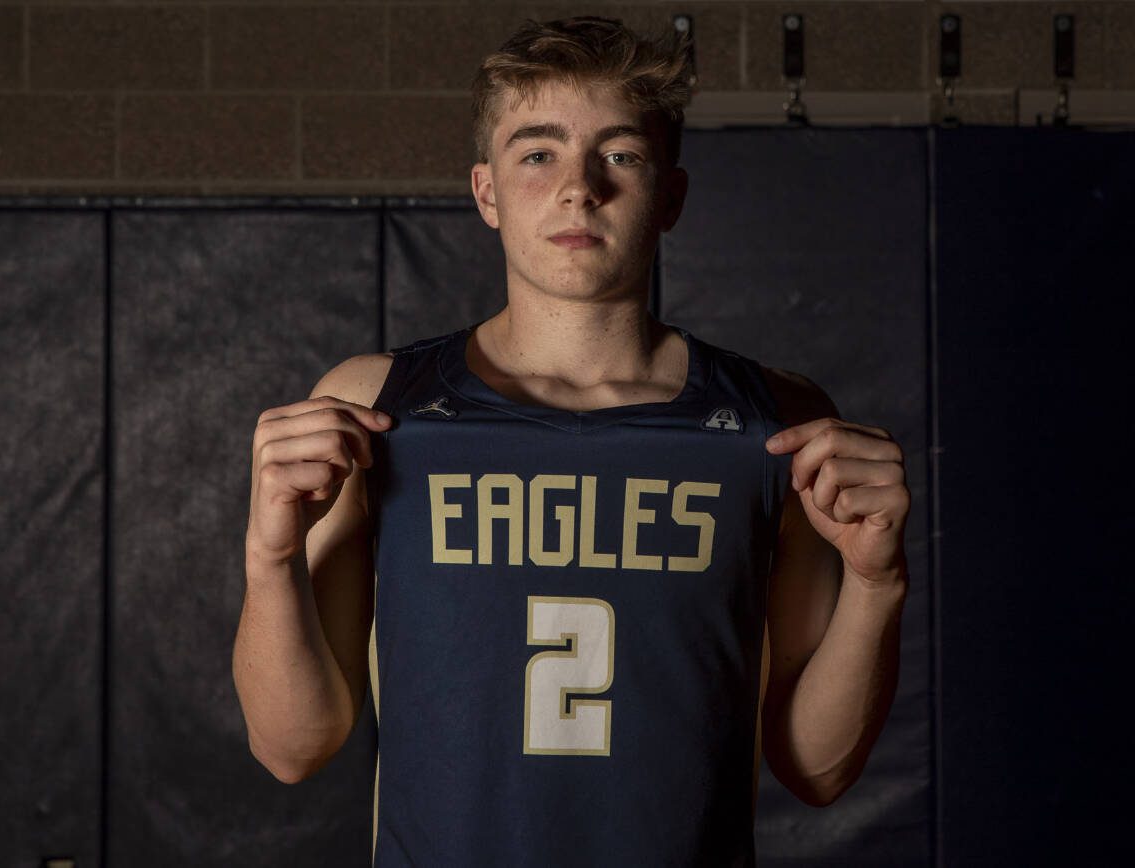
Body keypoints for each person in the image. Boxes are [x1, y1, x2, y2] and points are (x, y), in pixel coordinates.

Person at [233, 15, 909, 866]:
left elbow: (814, 768)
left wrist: (877, 584)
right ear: (486, 191)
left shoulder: (776, 423)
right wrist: (268, 560)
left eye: (619, 154)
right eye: (538, 153)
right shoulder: (378, 409)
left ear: (670, 194)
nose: (578, 188)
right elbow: (292, 747)